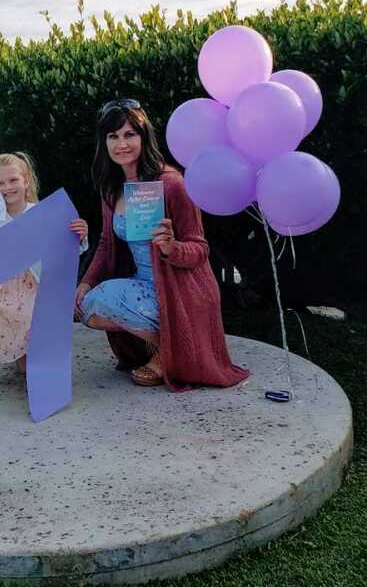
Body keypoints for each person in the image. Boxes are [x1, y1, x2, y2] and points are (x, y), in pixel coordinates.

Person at [76, 99, 249, 390]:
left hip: (179, 290)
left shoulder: (171, 183)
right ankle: (171, 346)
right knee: (89, 306)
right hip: (142, 284)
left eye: (130, 134)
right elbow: (106, 243)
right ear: (104, 142)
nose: (122, 144)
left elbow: (200, 248)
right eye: (113, 136)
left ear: (144, 137)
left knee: (104, 297)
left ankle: (175, 351)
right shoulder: (111, 188)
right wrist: (86, 281)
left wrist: (171, 247)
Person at [0, 152, 88, 371]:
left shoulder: (38, 213)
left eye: (13, 180)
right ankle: (23, 361)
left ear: (26, 180)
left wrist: (80, 235)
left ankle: (37, 364)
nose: (7, 188)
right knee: (17, 351)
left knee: (33, 333)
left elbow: (64, 249)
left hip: (31, 283)